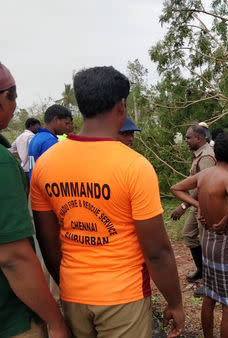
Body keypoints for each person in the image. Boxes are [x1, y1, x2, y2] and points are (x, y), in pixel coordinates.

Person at [30, 66, 184, 337]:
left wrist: (68, 284)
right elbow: (157, 251)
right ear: (121, 106)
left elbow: (48, 241)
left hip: (73, 293)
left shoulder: (46, 164)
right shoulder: (134, 166)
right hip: (123, 297)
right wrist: (175, 302)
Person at [0, 62, 69, 337]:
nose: (15, 104)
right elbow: (14, 257)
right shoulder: (47, 144)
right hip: (11, 318)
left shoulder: (30, 141)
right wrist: (55, 320)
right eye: (13, 96)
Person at [171, 132, 228, 338]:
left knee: (209, 296)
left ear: (217, 153)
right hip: (227, 243)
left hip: (209, 241)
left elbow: (175, 188)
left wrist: (198, 205)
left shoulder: (205, 175)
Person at [170, 124, 216, 297]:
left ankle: (211, 283)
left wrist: (183, 205)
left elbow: (203, 185)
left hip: (204, 204)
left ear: (200, 138)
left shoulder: (206, 156)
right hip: (195, 203)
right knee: (189, 234)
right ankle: (201, 270)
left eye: (189, 137)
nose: (186, 140)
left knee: (206, 242)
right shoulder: (198, 154)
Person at [28, 104, 72, 179]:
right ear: (56, 120)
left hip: (35, 185)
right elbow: (55, 172)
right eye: (66, 123)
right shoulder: (50, 141)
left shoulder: (36, 137)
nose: (67, 127)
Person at [9, 117, 41, 182]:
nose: (39, 128)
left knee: (26, 190)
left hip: (23, 169)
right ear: (31, 126)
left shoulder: (19, 137)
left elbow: (10, 150)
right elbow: (35, 150)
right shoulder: (32, 137)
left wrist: (21, 156)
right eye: (37, 126)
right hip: (32, 169)